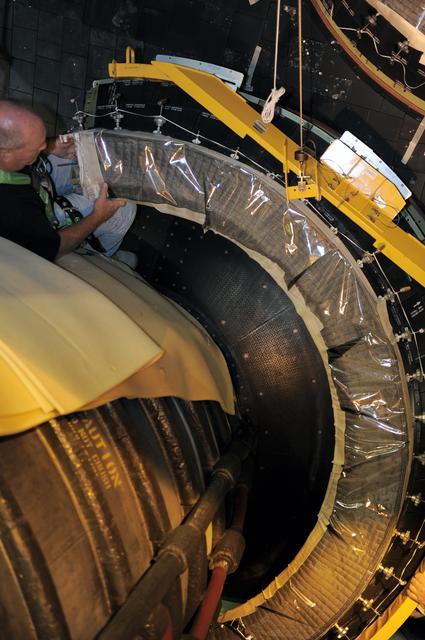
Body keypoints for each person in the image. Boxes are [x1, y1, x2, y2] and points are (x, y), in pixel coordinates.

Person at [0, 100, 135, 261]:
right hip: (36, 226)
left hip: (28, 181)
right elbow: (54, 247)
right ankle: (100, 258)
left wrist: (53, 146)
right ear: (5, 155)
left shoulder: (8, 154)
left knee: (82, 148)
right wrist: (98, 216)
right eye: (37, 148)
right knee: (125, 209)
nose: (44, 148)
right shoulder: (14, 209)